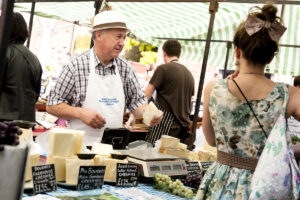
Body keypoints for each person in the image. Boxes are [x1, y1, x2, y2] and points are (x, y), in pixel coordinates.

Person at [196, 4, 300, 199]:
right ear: (270, 57)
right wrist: (288, 151)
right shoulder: (289, 95)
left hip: (221, 185)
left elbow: (211, 140)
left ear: (236, 52)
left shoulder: (214, 88)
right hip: (267, 187)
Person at [46, 10, 163, 146]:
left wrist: (149, 114)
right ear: (99, 35)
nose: (122, 43)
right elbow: (52, 105)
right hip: (80, 149)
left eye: (124, 37)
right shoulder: (76, 66)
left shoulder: (126, 69)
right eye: (118, 37)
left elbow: (137, 104)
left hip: (113, 149)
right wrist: (80, 113)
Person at [144, 39, 194, 144]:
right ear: (179, 54)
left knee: (153, 155)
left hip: (164, 125)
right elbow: (189, 102)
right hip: (182, 128)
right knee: (171, 158)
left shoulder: (163, 69)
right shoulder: (189, 74)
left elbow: (146, 95)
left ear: (164, 52)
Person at [0, 12, 42, 122]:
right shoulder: (34, 59)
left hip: (4, 121)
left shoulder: (4, 53)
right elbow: (36, 95)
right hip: (26, 122)